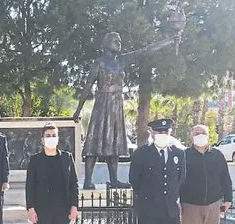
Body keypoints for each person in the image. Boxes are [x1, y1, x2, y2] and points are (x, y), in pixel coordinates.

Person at [72, 32, 178, 189]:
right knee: (94, 141)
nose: (118, 43)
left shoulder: (121, 60)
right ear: (106, 43)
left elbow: (146, 50)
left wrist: (169, 40)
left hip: (116, 104)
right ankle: (88, 180)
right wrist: (78, 109)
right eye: (115, 41)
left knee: (114, 142)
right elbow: (88, 85)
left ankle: (114, 180)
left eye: (120, 41)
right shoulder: (99, 63)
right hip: (102, 103)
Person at [179, 125, 233, 224]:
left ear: (209, 135)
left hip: (213, 203)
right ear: (191, 136)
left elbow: (225, 179)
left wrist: (228, 199)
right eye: (197, 133)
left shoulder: (217, 155)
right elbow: (178, 180)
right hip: (190, 204)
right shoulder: (184, 155)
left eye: (203, 133)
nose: (200, 135)